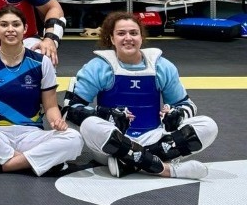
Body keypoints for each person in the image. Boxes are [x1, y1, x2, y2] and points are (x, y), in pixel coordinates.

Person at [64, 12, 217, 180]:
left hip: (154, 137)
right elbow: (71, 109)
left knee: (208, 126)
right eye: (121, 33)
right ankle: (166, 169)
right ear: (112, 39)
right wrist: (106, 114)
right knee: (89, 125)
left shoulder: (162, 66)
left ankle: (128, 162)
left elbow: (186, 104)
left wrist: (177, 114)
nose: (128, 38)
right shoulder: (98, 67)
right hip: (112, 141)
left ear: (141, 38)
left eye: (134, 33)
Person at [0, 5, 82, 175]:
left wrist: (57, 122)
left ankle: (6, 164)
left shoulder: (41, 62)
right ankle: (32, 161)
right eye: (4, 25)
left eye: (16, 25)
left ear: (25, 29)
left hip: (31, 135)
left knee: (74, 138)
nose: (10, 29)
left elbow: (51, 107)